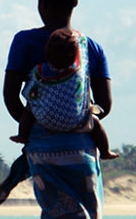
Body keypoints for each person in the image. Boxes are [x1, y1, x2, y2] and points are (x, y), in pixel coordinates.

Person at [2, 0, 110, 219]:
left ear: (40, 3)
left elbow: (9, 96)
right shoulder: (91, 46)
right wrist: (79, 120)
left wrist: (35, 125)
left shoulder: (24, 42)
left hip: (45, 155)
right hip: (83, 154)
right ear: (75, 3)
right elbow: (104, 104)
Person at [10, 28, 119, 161]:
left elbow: (27, 93)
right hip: (76, 121)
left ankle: (22, 135)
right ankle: (105, 151)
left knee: (29, 110)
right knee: (95, 122)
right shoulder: (78, 73)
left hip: (44, 121)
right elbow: (104, 106)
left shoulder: (39, 71)